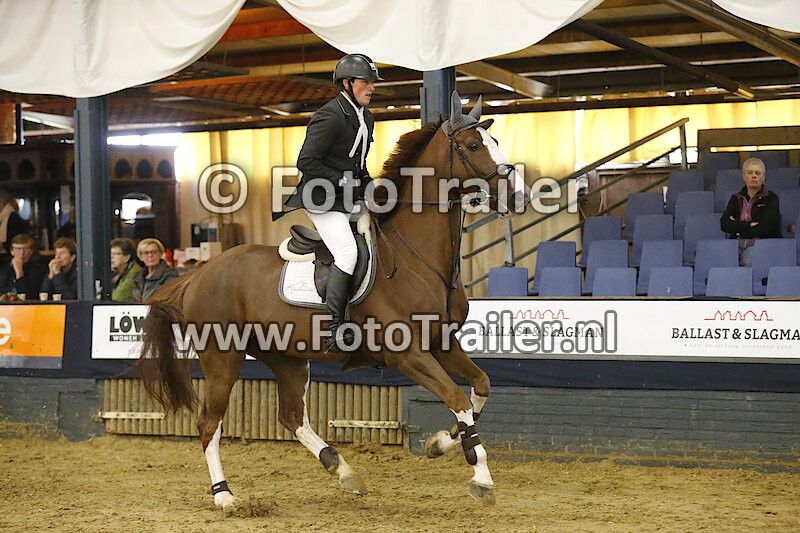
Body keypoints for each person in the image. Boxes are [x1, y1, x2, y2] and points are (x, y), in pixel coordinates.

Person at [283, 53, 382, 352]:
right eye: (366, 82)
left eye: (372, 83)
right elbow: (307, 161)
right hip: (322, 197)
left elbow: (357, 163)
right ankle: (335, 328)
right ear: (347, 83)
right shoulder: (330, 115)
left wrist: (373, 188)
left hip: (348, 194)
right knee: (347, 252)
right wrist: (344, 181)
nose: (371, 88)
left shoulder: (366, 117)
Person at [720, 157, 781, 266]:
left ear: (764, 178)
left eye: (758, 173)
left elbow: (767, 227)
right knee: (723, 261)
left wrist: (739, 230)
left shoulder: (771, 198)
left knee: (747, 262)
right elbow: (724, 224)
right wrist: (749, 224)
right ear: (744, 176)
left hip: (761, 243)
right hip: (736, 243)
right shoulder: (736, 198)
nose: (754, 176)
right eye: (749, 173)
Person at [131, 238, 179, 303]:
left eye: (154, 252)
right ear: (141, 257)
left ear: (160, 253)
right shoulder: (137, 277)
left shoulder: (170, 275)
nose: (150, 255)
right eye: (146, 253)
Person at [110, 238, 142, 302]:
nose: (111, 257)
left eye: (116, 254)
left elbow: (118, 297)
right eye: (110, 253)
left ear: (127, 258)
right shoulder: (117, 273)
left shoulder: (135, 272)